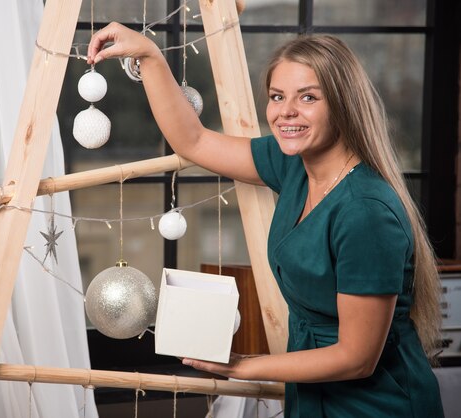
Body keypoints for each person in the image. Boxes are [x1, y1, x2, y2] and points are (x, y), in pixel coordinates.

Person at [87, 23, 445, 417]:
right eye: (277, 97)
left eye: (308, 97)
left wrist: (241, 366)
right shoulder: (292, 164)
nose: (286, 111)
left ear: (343, 103)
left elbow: (356, 358)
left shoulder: (366, 212)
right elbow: (194, 141)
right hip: (313, 392)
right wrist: (150, 55)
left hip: (377, 404)